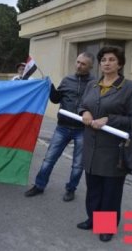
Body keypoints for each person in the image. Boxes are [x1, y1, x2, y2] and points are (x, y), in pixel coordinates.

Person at [77, 46, 132, 242]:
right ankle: (93, 219)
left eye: (112, 59)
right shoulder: (92, 85)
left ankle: (106, 226)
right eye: (103, 59)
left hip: (114, 148)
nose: (106, 63)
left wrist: (109, 119)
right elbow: (83, 104)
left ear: (120, 64)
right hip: (91, 146)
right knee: (93, 186)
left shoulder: (130, 87)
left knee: (110, 190)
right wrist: (84, 112)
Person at [24, 52, 95, 201]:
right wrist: (49, 87)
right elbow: (56, 99)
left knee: (77, 164)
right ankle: (39, 185)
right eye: (77, 62)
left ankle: (71, 189)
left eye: (83, 64)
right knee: (49, 159)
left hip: (82, 130)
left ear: (90, 66)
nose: (79, 65)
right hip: (62, 127)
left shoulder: (95, 83)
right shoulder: (67, 80)